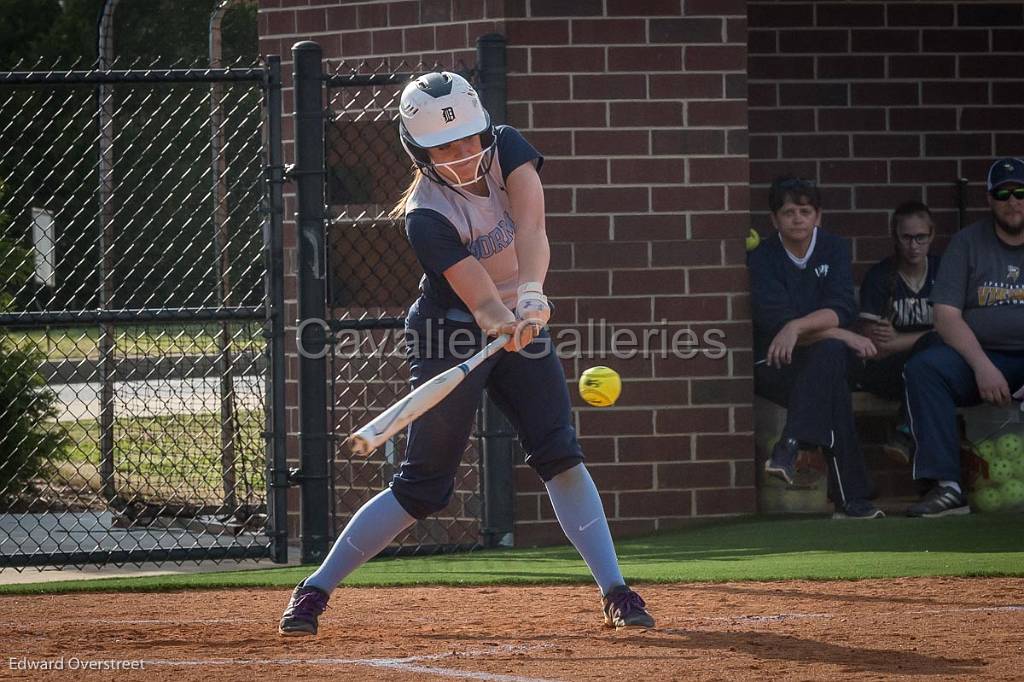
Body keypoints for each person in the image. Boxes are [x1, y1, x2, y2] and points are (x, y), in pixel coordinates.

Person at [277, 72, 654, 635]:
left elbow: (531, 227)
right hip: (447, 330)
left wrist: (531, 297)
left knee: (559, 452)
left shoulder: (508, 148)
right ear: (419, 152)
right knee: (424, 485)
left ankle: (617, 591)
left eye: (469, 139)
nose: (463, 154)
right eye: (445, 148)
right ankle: (313, 590)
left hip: (520, 319)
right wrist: (507, 319)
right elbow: (480, 303)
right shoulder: (425, 216)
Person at [748, 175, 884, 520]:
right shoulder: (763, 258)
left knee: (828, 364)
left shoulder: (834, 248)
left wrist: (798, 326)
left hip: (819, 362)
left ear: (818, 216)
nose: (797, 218)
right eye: (789, 212)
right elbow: (777, 325)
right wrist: (843, 335)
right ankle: (851, 499)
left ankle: (789, 445)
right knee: (832, 374)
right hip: (777, 364)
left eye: (805, 211)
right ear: (774, 219)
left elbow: (841, 309)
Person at [904, 157, 1024, 517]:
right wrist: (983, 366)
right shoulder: (967, 242)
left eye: (1020, 192)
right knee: (925, 369)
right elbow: (945, 316)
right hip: (984, 358)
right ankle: (947, 486)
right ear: (989, 199)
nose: (1013, 200)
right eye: (1002, 193)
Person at [856, 201, 942, 463]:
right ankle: (907, 431)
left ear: (932, 235)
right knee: (932, 349)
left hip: (934, 370)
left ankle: (907, 433)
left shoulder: (944, 271)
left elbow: (957, 333)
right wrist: (932, 334)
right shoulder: (881, 276)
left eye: (920, 237)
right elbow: (876, 348)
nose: (913, 245)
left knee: (933, 350)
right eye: (906, 237)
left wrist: (900, 340)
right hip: (888, 373)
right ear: (895, 236)